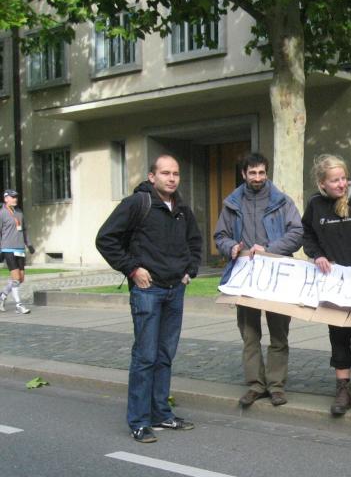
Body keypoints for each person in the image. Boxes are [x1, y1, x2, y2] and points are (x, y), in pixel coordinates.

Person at [96, 155, 202, 443]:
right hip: (148, 291)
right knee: (145, 357)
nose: (172, 178)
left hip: (174, 290)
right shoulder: (137, 203)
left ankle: (161, 413)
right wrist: (132, 269)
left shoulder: (182, 208)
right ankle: (140, 421)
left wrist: (189, 270)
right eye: (165, 173)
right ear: (152, 176)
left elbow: (194, 242)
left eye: (176, 173)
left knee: (164, 356)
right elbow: (105, 239)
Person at [214, 152, 303, 408]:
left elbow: (297, 233)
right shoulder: (232, 203)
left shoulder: (282, 201)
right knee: (249, 334)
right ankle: (255, 385)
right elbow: (220, 236)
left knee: (279, 334)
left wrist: (270, 249)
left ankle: (276, 386)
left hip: (277, 275)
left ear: (267, 173)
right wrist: (231, 247)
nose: (257, 177)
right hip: (245, 276)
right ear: (244, 174)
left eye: (261, 172)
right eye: (252, 173)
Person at [302, 154, 351, 416]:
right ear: (322, 183)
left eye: (343, 178)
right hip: (334, 283)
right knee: (338, 335)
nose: (341, 184)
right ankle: (343, 390)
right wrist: (317, 255)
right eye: (335, 180)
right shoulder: (315, 204)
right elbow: (307, 234)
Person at [0, 189, 35, 314]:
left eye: (16, 197)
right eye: (12, 197)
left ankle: (2, 296)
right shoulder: (2, 213)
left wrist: (29, 244)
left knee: (20, 279)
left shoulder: (19, 212)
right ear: (6, 199)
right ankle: (18, 306)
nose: (15, 199)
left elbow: (24, 229)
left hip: (20, 249)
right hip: (8, 248)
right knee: (15, 279)